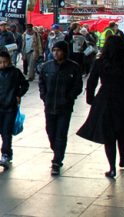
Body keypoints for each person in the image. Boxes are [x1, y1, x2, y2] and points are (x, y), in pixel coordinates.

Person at [77, 36, 124, 178]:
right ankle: (123, 157)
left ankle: (112, 168)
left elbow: (91, 82)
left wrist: (90, 99)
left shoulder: (100, 63)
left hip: (105, 100)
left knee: (108, 136)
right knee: (123, 132)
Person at [38, 40, 83, 176]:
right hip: (50, 105)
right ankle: (57, 150)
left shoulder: (73, 67)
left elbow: (77, 86)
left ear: (64, 51)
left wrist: (69, 97)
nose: (56, 53)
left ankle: (57, 160)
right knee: (51, 132)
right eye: (54, 50)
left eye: (59, 50)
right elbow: (41, 82)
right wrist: (44, 96)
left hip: (65, 107)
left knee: (61, 134)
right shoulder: (47, 67)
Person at [0, 51, 29, 169]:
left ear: (9, 61)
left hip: (11, 106)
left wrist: (19, 94)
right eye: (0, 62)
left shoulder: (15, 72)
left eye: (4, 62)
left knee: (6, 131)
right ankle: (8, 152)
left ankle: (5, 154)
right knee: (3, 132)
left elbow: (25, 84)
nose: (2, 64)